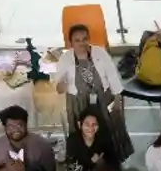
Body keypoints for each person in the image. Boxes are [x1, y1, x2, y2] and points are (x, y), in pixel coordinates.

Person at [56, 24, 133, 161]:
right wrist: (63, 84)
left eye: (85, 39)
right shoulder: (65, 59)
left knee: (107, 128)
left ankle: (110, 159)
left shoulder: (100, 53)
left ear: (89, 39)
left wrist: (117, 99)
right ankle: (85, 160)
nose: (82, 43)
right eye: (77, 40)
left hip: (102, 99)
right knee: (83, 132)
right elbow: (59, 89)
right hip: (78, 102)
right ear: (71, 42)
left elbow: (113, 76)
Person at [64, 107, 117, 171]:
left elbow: (114, 165)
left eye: (94, 125)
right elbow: (71, 170)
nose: (90, 128)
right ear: (79, 125)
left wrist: (102, 163)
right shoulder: (72, 141)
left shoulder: (105, 140)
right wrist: (92, 163)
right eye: (87, 124)